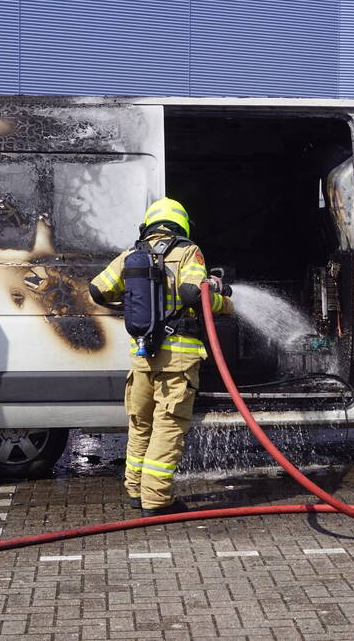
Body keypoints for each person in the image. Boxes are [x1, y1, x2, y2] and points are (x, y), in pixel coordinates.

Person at [89, 197, 233, 517]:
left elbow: (98, 289)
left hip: (141, 357)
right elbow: (193, 294)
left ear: (149, 224)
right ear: (181, 225)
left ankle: (135, 490)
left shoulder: (132, 255)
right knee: (168, 427)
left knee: (141, 425)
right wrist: (225, 302)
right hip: (177, 362)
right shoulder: (187, 252)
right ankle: (156, 500)